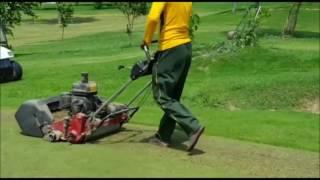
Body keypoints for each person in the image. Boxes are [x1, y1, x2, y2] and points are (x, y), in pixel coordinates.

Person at [140, 2, 205, 151]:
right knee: (173, 96)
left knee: (161, 95)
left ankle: (193, 127)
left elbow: (152, 18)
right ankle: (163, 136)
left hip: (171, 47)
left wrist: (147, 40)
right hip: (185, 48)